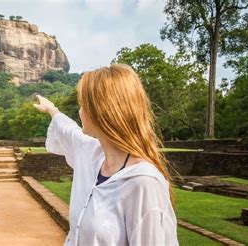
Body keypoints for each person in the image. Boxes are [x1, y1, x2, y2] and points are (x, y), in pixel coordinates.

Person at [33, 64, 179, 246]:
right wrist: (52, 109)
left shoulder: (143, 184)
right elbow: (68, 130)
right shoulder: (91, 153)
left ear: (101, 111)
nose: (80, 111)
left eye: (83, 105)